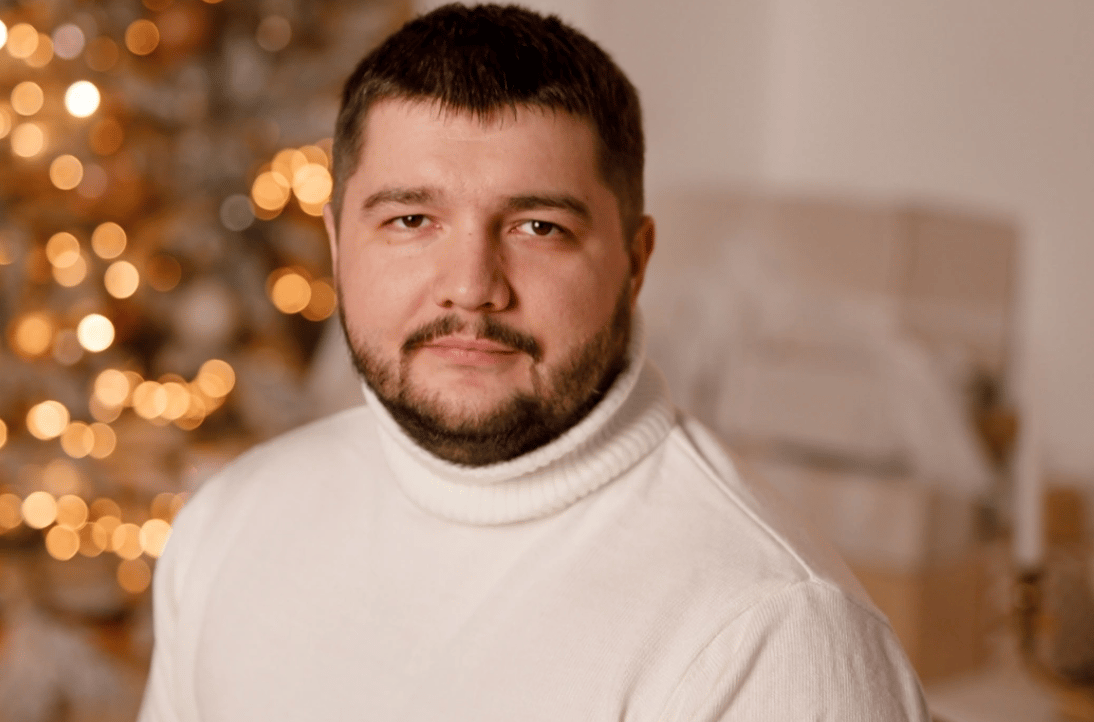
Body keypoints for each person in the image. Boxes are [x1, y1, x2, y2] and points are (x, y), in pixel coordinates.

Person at [138, 4, 930, 720]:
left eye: (538, 227)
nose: (471, 287)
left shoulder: (773, 633)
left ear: (635, 261)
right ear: (337, 245)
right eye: (411, 219)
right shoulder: (230, 522)